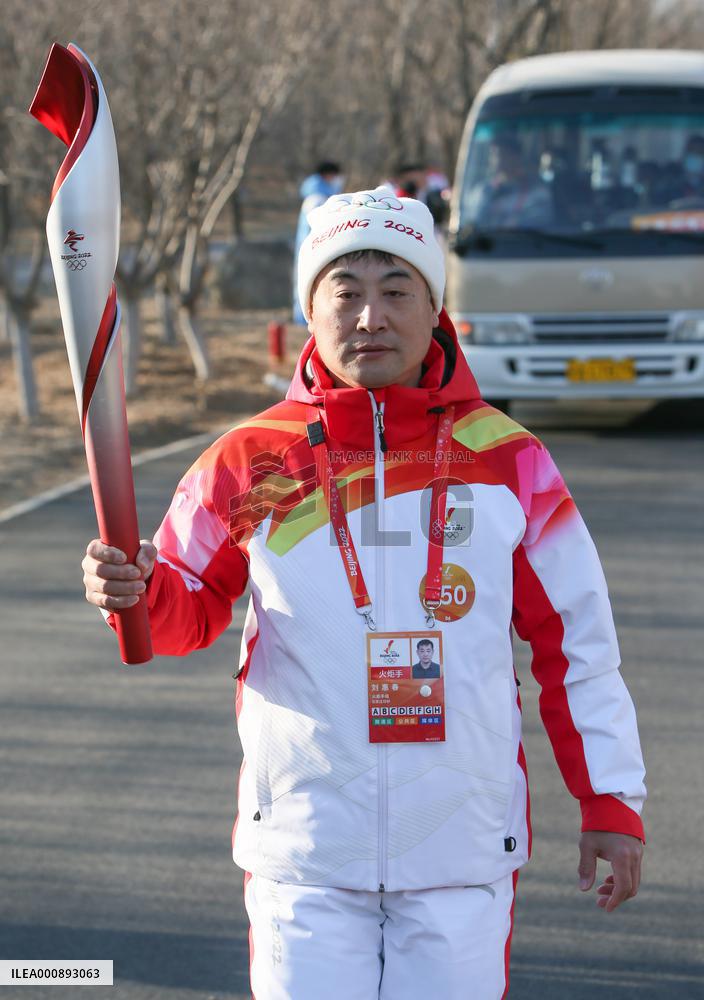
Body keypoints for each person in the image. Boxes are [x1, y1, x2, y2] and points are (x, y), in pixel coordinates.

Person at [82, 185, 645, 1000]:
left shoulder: (510, 461)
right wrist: (131, 591)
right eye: (345, 292)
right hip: (306, 852)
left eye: (396, 290)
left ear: (434, 307)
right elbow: (183, 605)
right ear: (310, 308)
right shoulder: (252, 461)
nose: (370, 317)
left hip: (461, 850)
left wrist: (610, 803)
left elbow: (579, 647)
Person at [292, 160, 344, 324]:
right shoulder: (317, 198)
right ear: (328, 175)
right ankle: (305, 319)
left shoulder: (317, 194)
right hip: (314, 249)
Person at [469, 134, 553, 229]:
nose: (495, 159)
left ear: (516, 157)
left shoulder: (537, 192)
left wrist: (517, 222)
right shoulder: (483, 191)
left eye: (501, 154)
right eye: (493, 154)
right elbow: (472, 222)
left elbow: (539, 222)